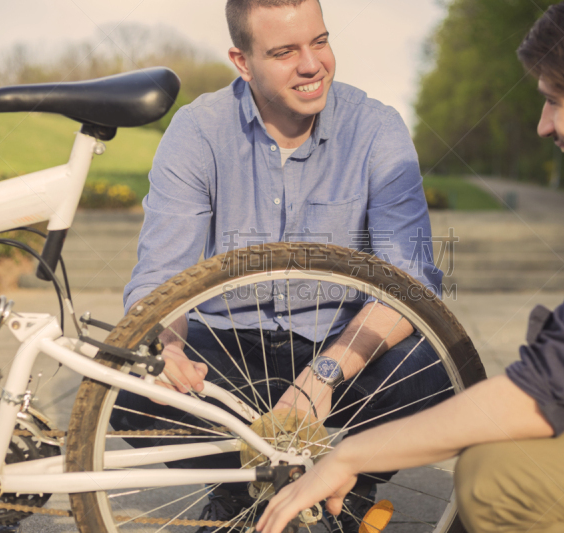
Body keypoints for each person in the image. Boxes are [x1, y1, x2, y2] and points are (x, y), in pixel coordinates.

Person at [257, 0, 564, 531]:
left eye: (554, 101)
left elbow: (547, 386)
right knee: (492, 429)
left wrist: (350, 454)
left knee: (496, 477)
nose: (542, 125)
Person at [118, 0, 452, 531]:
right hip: (228, 348)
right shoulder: (198, 131)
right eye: (284, 51)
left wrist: (323, 374)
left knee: (430, 372)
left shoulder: (376, 130)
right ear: (242, 61)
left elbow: (408, 283)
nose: (311, 64)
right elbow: (161, 275)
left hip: (339, 348)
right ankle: (238, 491)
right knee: (130, 383)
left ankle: (347, 487)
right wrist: (169, 346)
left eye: (319, 41)